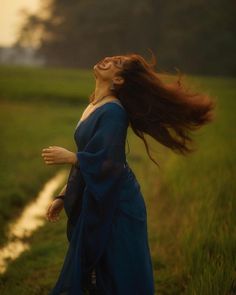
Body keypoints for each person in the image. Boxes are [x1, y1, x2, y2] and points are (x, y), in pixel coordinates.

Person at [41, 53, 215, 294]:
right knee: (96, 273)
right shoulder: (94, 104)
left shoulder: (114, 112)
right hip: (101, 195)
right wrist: (63, 196)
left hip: (117, 204)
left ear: (119, 80)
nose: (109, 59)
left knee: (118, 272)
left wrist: (72, 157)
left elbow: (108, 163)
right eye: (112, 57)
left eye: (117, 63)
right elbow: (92, 155)